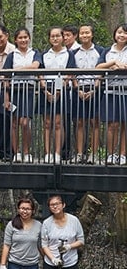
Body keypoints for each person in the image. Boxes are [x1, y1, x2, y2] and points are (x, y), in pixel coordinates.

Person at [3, 28, 42, 163]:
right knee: (14, 123)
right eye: (20, 38)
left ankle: (27, 152)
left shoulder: (35, 53)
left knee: (25, 122)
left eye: (25, 37)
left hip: (29, 90)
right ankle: (17, 152)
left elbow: (35, 66)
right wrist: (6, 98)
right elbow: (6, 77)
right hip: (14, 90)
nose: (23, 40)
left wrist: (18, 70)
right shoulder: (12, 55)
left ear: (29, 38)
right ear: (15, 40)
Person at [39, 27, 76, 164]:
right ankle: (47, 153)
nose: (55, 38)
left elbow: (70, 72)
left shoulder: (69, 54)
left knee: (59, 123)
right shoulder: (44, 54)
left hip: (63, 89)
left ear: (62, 38)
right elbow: (40, 73)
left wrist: (59, 90)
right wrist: (44, 89)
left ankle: (58, 153)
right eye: (52, 36)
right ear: (49, 38)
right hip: (46, 89)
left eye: (58, 36)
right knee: (47, 123)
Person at [71, 24, 104, 164]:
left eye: (87, 33)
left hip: (95, 88)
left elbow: (102, 71)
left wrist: (95, 89)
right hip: (78, 88)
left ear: (92, 34)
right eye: (82, 33)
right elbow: (71, 72)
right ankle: (79, 153)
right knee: (79, 122)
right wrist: (77, 88)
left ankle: (94, 154)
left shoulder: (100, 51)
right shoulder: (74, 52)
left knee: (94, 122)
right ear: (78, 35)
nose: (84, 35)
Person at [96, 23, 127, 165]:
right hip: (111, 91)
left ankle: (122, 154)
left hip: (125, 92)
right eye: (119, 32)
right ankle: (111, 154)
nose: (122, 35)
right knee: (111, 125)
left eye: (125, 33)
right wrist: (113, 63)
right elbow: (98, 67)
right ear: (115, 34)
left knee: (124, 124)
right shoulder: (108, 51)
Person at [0, 24, 15, 161]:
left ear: (6, 36)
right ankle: (0, 152)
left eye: (0, 37)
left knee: (9, 121)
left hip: (11, 88)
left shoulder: (13, 50)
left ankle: (9, 153)